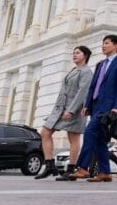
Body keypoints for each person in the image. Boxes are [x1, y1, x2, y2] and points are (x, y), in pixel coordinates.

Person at [64, 35, 117, 183]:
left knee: (89, 131)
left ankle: (82, 167)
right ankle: (105, 172)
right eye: (103, 43)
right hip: (95, 106)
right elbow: (93, 85)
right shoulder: (100, 64)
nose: (103, 46)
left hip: (107, 108)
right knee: (100, 140)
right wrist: (87, 104)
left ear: (115, 46)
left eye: (106, 43)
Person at [37, 46, 93, 179]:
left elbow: (82, 92)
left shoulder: (86, 72)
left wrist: (71, 110)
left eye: (77, 53)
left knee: (73, 138)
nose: (74, 55)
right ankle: (50, 165)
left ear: (85, 55)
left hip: (74, 110)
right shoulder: (74, 70)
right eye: (73, 53)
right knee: (45, 132)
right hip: (60, 109)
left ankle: (71, 168)